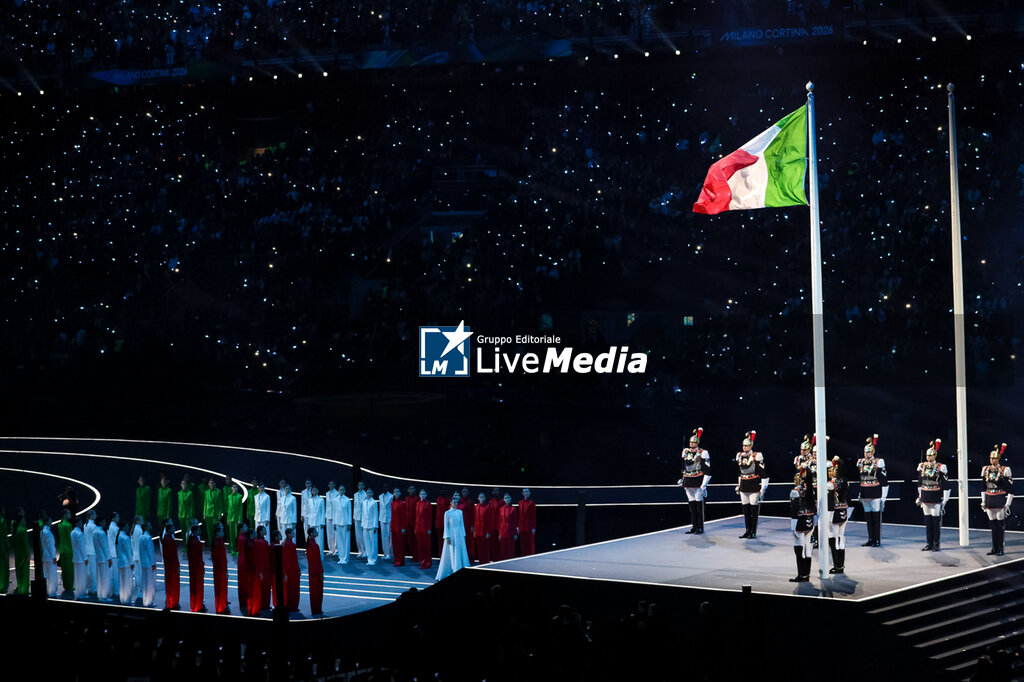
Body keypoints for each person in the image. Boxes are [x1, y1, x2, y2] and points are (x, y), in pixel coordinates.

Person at [916, 439, 950, 552]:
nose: (928, 457)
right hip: (925, 496)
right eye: (927, 455)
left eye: (930, 455)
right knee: (927, 522)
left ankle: (936, 543)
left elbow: (946, 485)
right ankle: (929, 543)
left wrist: (944, 501)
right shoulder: (922, 466)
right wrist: (920, 497)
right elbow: (920, 483)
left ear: (934, 456)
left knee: (936, 522)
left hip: (936, 497)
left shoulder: (941, 467)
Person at [735, 431, 768, 539]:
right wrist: (738, 485)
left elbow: (763, 473)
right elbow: (740, 473)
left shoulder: (756, 456)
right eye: (743, 445)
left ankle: (753, 531)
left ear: (751, 445)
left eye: (747, 445)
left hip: (753, 485)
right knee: (745, 510)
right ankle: (747, 530)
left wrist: (763, 488)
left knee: (754, 510)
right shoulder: (739, 456)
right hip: (744, 485)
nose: (744, 447)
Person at [982, 444, 1012, 556]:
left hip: (999, 499)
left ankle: (1000, 548)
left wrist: (1008, 504)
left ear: (998, 459)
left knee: (1000, 525)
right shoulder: (986, 470)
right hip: (989, 498)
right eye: (990, 458)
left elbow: (1011, 489)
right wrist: (983, 501)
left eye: (993, 458)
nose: (991, 460)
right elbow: (983, 487)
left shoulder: (1005, 470)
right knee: (993, 525)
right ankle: (994, 547)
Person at [857, 434, 887, 547]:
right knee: (868, 518)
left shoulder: (878, 462)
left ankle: (877, 539)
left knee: (876, 517)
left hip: (875, 492)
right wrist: (860, 493)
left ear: (873, 452)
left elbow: (884, 480)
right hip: (865, 492)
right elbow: (860, 478)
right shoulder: (860, 462)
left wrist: (883, 497)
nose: (866, 454)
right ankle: (870, 538)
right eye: (865, 452)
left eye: (868, 452)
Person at [680, 428, 711, 535]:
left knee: (699, 505)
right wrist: (682, 479)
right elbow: (684, 466)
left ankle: (700, 527)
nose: (691, 444)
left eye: (694, 442)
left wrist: (704, 484)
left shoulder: (703, 452)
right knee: (691, 506)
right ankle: (693, 526)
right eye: (690, 442)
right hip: (688, 480)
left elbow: (707, 470)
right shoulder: (686, 452)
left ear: (697, 442)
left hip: (698, 480)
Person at [788, 467, 815, 583]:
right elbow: (814, 507)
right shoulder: (811, 490)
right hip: (810, 521)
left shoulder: (795, 492)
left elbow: (794, 511)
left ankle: (801, 575)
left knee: (799, 548)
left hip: (799, 522)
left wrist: (792, 527)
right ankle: (807, 574)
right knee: (808, 549)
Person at [436, 492, 471, 581]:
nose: (455, 503)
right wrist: (446, 536)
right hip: (451, 534)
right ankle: (453, 570)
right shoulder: (447, 513)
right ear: (450, 503)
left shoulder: (460, 512)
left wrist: (464, 535)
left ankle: (461, 569)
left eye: (456, 502)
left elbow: (462, 524)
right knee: (452, 551)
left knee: (460, 551)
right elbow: (446, 525)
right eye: (453, 502)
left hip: (459, 534)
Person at [826, 456, 850, 574]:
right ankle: (841, 566)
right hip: (844, 511)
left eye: (831, 470)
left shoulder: (830, 484)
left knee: (834, 539)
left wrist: (828, 518)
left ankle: (837, 565)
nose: (829, 472)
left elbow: (830, 503)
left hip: (834, 514)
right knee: (841, 538)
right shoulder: (845, 482)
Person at [248, 526, 270, 616]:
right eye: (264, 530)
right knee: (261, 588)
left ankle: (259, 606)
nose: (265, 531)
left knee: (260, 588)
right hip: (262, 567)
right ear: (260, 532)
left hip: (260, 568)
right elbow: (262, 557)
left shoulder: (256, 542)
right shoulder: (262, 543)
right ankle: (260, 607)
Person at [161, 520, 180, 609]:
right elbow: (171, 555)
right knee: (172, 584)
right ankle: (172, 602)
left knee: (171, 584)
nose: (174, 529)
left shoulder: (169, 538)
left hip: (170, 565)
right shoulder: (169, 540)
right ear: (168, 529)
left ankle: (171, 601)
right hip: (171, 566)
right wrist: (176, 566)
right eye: (173, 528)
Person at [92, 515, 112, 600]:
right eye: (103, 521)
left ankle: (100, 595)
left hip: (98, 557)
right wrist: (109, 558)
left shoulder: (94, 531)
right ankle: (104, 596)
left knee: (99, 577)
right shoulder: (101, 532)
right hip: (104, 558)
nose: (105, 523)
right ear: (100, 522)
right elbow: (105, 547)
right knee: (105, 577)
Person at [186, 522, 205, 612]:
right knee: (198, 587)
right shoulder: (195, 542)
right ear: (195, 531)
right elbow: (197, 557)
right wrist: (201, 566)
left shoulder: (191, 540)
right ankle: (198, 605)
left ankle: (194, 605)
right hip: (197, 568)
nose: (200, 531)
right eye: (199, 530)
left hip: (193, 567)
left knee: (193, 587)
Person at [116, 521, 135, 605]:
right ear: (123, 527)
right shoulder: (126, 538)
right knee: (127, 582)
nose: (128, 527)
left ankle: (122, 599)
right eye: (127, 526)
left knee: (122, 581)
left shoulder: (119, 536)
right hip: (126, 562)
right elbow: (128, 552)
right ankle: (127, 599)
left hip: (120, 561)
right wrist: (131, 563)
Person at [474, 492, 496, 564]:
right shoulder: (476, 507)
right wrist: (474, 530)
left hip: (485, 531)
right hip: (478, 531)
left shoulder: (488, 507)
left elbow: (491, 520)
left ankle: (486, 563)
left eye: (483, 497)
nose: (481, 498)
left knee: (486, 549)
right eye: (480, 497)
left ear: (485, 498)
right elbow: (475, 519)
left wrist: (489, 532)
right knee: (480, 549)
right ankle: (481, 563)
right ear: (478, 498)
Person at [138, 521, 157, 607]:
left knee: (145, 583)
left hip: (143, 563)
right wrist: (153, 563)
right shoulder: (148, 537)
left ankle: (145, 600)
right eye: (149, 525)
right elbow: (150, 552)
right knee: (149, 583)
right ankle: (148, 602)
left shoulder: (141, 537)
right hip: (149, 563)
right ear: (146, 527)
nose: (151, 526)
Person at [306, 527, 324, 616]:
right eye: (315, 531)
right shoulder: (314, 545)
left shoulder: (310, 543)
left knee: (314, 592)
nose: (317, 532)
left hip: (312, 570)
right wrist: (321, 572)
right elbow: (317, 560)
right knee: (317, 592)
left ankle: (316, 609)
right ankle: (317, 609)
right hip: (316, 571)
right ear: (311, 534)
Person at [12, 509, 30, 596]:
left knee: (19, 573)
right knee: (25, 573)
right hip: (23, 554)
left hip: (17, 554)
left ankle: (20, 588)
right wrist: (28, 554)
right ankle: (24, 590)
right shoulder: (22, 530)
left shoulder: (15, 528)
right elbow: (25, 543)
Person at [282, 527, 300, 612]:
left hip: (287, 568)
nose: (294, 533)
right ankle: (293, 606)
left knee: (288, 588)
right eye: (293, 532)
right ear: (289, 534)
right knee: (293, 589)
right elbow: (294, 559)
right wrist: (298, 569)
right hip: (292, 569)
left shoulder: (285, 543)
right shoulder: (291, 545)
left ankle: (289, 605)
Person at [212, 523, 228, 614]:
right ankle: (220, 607)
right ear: (217, 533)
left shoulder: (220, 540)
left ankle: (222, 605)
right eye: (221, 531)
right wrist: (223, 571)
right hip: (219, 570)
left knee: (222, 588)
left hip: (222, 569)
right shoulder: (216, 542)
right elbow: (218, 559)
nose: (223, 532)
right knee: (220, 588)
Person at [40, 514, 58, 596]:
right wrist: (54, 557)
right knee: (51, 575)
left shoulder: (42, 532)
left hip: (45, 556)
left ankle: (48, 591)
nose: (51, 521)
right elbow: (51, 546)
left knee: (46, 575)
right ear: (46, 522)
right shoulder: (48, 533)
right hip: (50, 557)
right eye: (50, 520)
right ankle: (51, 592)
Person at [415, 489, 433, 569]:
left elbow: (430, 517)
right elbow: (416, 517)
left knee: (427, 546)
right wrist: (415, 528)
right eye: (421, 493)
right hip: (418, 528)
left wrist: (429, 528)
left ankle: (428, 562)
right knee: (420, 546)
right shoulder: (417, 503)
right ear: (419, 495)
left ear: (426, 495)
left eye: (424, 494)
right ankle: (422, 562)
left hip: (425, 528)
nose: (422, 495)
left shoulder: (428, 504)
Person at [70, 516, 88, 598]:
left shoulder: (72, 532)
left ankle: (77, 592)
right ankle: (81, 593)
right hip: (81, 558)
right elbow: (82, 547)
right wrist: (85, 558)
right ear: (77, 523)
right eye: (80, 522)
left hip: (75, 557)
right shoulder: (80, 534)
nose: (81, 523)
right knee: (82, 577)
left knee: (77, 576)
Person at [58, 509, 74, 593]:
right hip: (68, 550)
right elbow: (70, 538)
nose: (70, 514)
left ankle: (66, 585)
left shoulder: (60, 524)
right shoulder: (68, 525)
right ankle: (70, 586)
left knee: (64, 569)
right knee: (69, 569)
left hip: (62, 549)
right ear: (65, 514)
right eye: (69, 513)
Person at [334, 484, 352, 564]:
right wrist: (334, 522)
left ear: (344, 491)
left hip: (345, 522)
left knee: (346, 541)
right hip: (338, 522)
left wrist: (349, 523)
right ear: (338, 490)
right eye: (340, 489)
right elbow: (334, 512)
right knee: (339, 541)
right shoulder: (335, 500)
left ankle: (345, 558)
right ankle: (341, 557)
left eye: (343, 489)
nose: (341, 491)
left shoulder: (347, 500)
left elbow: (349, 512)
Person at [498, 493, 519, 560]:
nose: (507, 499)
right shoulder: (501, 509)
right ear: (503, 499)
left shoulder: (513, 509)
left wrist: (515, 533)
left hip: (511, 532)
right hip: (503, 532)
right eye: (505, 498)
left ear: (510, 499)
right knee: (503, 550)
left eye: (508, 497)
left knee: (511, 550)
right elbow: (500, 521)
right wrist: (499, 533)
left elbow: (515, 522)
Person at [362, 487, 379, 565]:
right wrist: (362, 524)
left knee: (373, 542)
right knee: (367, 542)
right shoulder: (364, 502)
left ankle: (373, 558)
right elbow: (363, 514)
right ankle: (369, 558)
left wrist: (375, 525)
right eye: (367, 493)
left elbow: (376, 514)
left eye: (370, 493)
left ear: (372, 494)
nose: (369, 494)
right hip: (365, 525)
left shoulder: (374, 502)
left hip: (372, 525)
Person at [390, 488, 407, 566]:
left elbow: (404, 516)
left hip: (400, 527)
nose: (396, 493)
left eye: (397, 491)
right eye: (395, 492)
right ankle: (396, 559)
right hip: (393, 526)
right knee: (394, 544)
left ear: (400, 493)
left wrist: (403, 527)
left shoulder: (402, 503)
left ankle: (400, 560)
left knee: (400, 544)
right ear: (393, 493)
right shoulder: (392, 503)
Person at [307, 485, 325, 559]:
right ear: (311, 492)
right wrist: (309, 522)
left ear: (318, 491)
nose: (314, 492)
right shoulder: (309, 500)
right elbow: (309, 512)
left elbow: (323, 512)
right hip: (312, 522)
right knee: (312, 540)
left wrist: (322, 522)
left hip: (319, 522)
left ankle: (320, 556)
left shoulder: (321, 500)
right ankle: (313, 555)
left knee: (320, 540)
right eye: (313, 490)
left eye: (316, 490)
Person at [459, 487, 476, 562]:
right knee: (462, 541)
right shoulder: (459, 501)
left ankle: (470, 558)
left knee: (469, 542)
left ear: (468, 492)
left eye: (466, 491)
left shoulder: (470, 502)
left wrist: (472, 525)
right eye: (463, 491)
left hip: (468, 525)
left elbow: (473, 514)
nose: (464, 493)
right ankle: (462, 558)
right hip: (460, 525)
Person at [203, 478, 222, 545]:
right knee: (209, 530)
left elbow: (220, 503)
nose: (211, 484)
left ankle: (217, 544)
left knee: (216, 530)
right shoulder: (206, 492)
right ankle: (211, 544)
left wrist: (220, 513)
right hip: (208, 513)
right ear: (208, 484)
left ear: (215, 484)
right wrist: (204, 513)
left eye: (212, 483)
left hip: (215, 513)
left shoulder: (218, 492)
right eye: (210, 483)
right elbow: (205, 503)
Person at [83, 510, 98, 595]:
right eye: (94, 514)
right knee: (93, 571)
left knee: (89, 571)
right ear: (91, 516)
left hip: (87, 550)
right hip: (92, 551)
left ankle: (89, 587)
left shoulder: (85, 525)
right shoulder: (93, 526)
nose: (96, 515)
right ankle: (93, 588)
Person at [236, 524, 250, 615]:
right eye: (245, 527)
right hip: (244, 561)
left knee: (243, 583)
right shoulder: (243, 539)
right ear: (241, 529)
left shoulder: (242, 537)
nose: (246, 528)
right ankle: (244, 603)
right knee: (243, 583)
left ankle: (244, 602)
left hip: (241, 560)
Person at [226, 483, 243, 556]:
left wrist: (240, 519)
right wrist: (228, 518)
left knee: (237, 535)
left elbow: (240, 509)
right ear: (231, 488)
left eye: (236, 487)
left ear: (237, 488)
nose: (234, 488)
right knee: (231, 534)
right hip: (230, 518)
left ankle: (238, 549)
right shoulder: (229, 496)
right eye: (233, 487)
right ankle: (233, 549)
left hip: (236, 518)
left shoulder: (239, 496)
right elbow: (229, 508)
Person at [131, 514, 145, 600]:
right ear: (137, 521)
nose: (142, 521)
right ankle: (140, 591)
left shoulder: (133, 530)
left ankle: (139, 591)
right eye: (141, 519)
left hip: (135, 555)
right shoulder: (139, 531)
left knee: (137, 574)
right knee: (140, 574)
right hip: (139, 555)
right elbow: (141, 544)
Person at [404, 484, 419, 563]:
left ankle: (417, 556)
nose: (411, 490)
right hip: (408, 523)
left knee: (416, 540)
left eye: (412, 489)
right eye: (410, 489)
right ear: (408, 490)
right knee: (410, 541)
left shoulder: (417, 498)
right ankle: (414, 555)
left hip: (415, 522)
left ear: (414, 490)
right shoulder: (406, 499)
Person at [379, 486, 394, 561]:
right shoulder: (380, 496)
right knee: (383, 537)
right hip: (382, 518)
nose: (384, 489)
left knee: (389, 537)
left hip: (389, 518)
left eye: (386, 488)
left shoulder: (391, 496)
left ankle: (389, 553)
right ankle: (385, 553)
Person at [107, 512, 120, 596]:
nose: (118, 518)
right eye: (117, 516)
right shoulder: (115, 528)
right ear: (113, 518)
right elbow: (117, 541)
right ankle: (116, 591)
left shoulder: (110, 527)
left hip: (111, 552)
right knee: (115, 574)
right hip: (115, 553)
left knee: (112, 573)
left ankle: (113, 590)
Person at [325, 481, 340, 556]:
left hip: (335, 515)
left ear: (334, 485)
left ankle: (337, 549)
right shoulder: (327, 494)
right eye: (330, 484)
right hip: (328, 515)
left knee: (335, 533)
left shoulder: (337, 493)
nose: (331, 485)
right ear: (328, 485)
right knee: (329, 533)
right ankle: (331, 549)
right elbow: (327, 505)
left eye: (332, 484)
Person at [353, 481, 367, 558]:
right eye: (359, 485)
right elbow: (355, 506)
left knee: (364, 535)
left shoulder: (365, 494)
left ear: (364, 486)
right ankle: (360, 551)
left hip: (363, 517)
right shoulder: (355, 495)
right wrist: (354, 517)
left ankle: (365, 551)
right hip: (357, 517)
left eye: (362, 485)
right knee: (358, 535)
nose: (360, 486)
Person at [435, 491, 451, 555]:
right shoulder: (438, 499)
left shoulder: (448, 499)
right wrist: (436, 522)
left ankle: (446, 556)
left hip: (446, 523)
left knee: (447, 540)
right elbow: (437, 511)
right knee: (440, 541)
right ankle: (440, 556)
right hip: (439, 523)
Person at [0, 507, 7, 594]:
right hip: (1, 547)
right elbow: (4, 535)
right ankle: (1, 587)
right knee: (1, 568)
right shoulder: (2, 521)